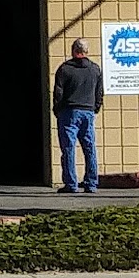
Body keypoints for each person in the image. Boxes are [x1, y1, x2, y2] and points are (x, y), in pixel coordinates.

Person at [52, 37, 104, 193]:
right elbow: (99, 92)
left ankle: (71, 184)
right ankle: (91, 183)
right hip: (88, 111)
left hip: (69, 112)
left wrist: (57, 110)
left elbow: (58, 93)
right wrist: (95, 107)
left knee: (68, 148)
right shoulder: (95, 69)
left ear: (73, 50)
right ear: (87, 51)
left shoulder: (65, 69)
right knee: (89, 147)